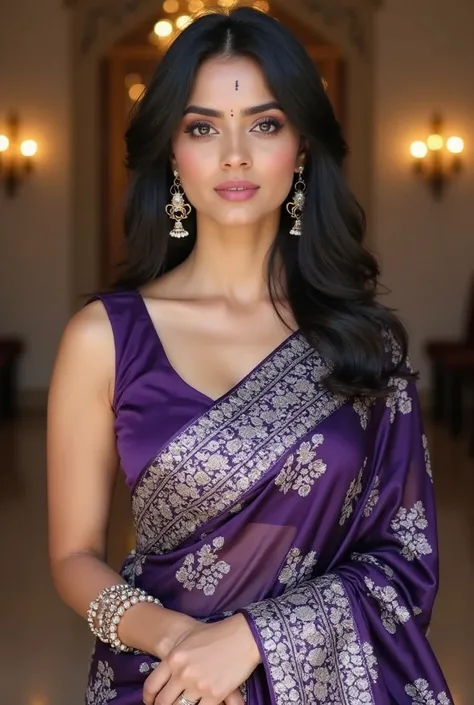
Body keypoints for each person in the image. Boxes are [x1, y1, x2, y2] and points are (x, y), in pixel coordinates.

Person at [47, 6, 453, 705]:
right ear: (173, 152)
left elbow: (406, 562)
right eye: (203, 127)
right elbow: (72, 556)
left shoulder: (364, 342)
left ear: (300, 148)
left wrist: (248, 639)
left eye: (264, 124)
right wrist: (178, 641)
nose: (234, 154)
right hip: (160, 682)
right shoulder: (104, 336)